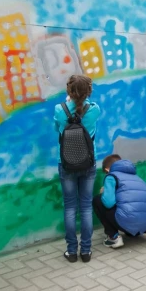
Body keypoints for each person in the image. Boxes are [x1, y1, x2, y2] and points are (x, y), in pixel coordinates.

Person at [54, 75, 100, 263]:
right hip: (88, 163)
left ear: (69, 91)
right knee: (86, 207)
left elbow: (58, 127)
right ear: (89, 91)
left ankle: (72, 251)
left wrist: (68, 104)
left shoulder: (59, 109)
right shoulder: (95, 109)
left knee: (70, 207)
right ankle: (86, 251)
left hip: (66, 164)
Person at [92, 154, 146, 248]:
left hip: (127, 219)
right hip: (144, 220)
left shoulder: (111, 176)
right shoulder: (137, 177)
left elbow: (108, 203)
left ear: (107, 169)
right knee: (129, 216)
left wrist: (104, 194)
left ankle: (113, 237)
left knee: (97, 200)